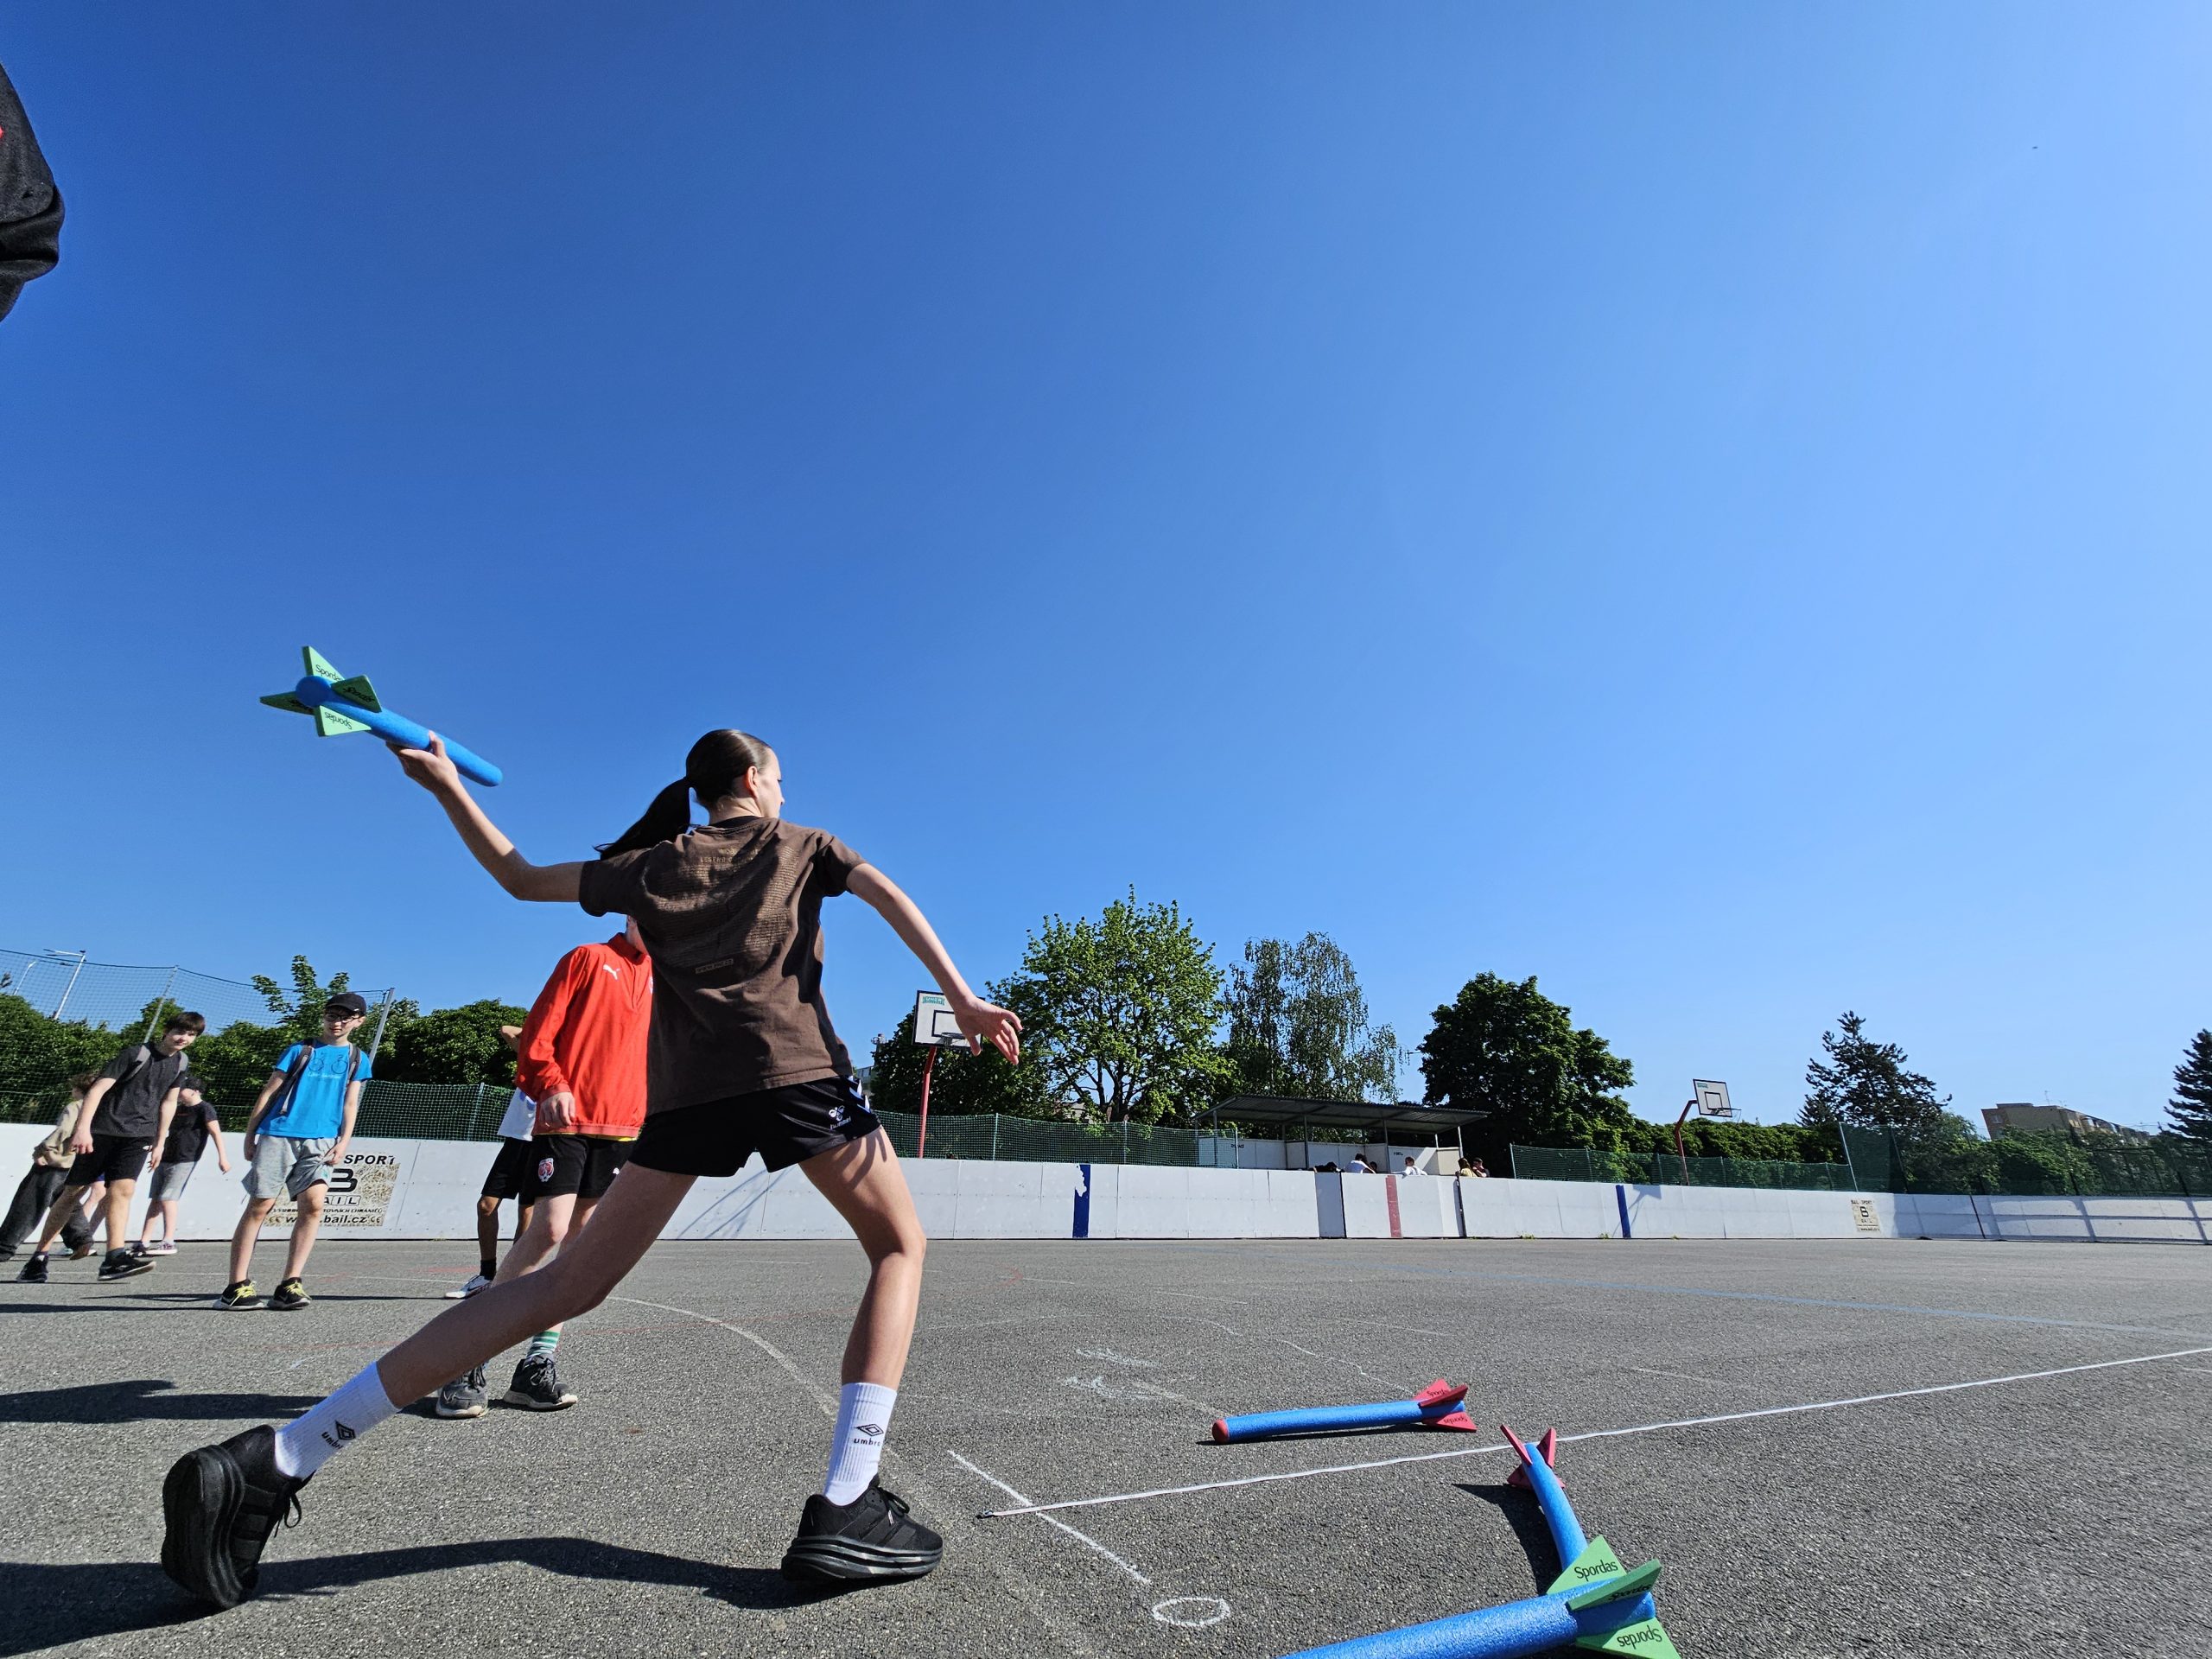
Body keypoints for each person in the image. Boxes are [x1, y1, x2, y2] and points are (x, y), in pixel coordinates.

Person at [160, 728, 1021, 1610]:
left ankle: (282, 1455)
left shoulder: (650, 867)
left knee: (563, 1284)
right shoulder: (799, 843)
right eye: (781, 779)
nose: (784, 793)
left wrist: (447, 786)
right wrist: (961, 996)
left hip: (685, 1097)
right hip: (792, 1070)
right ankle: (847, 1498)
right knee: (898, 1247)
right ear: (755, 779)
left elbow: (518, 876)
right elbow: (889, 895)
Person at [435, 918, 652, 1417]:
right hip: (567, 1119)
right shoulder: (588, 957)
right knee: (548, 1231)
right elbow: (537, 1031)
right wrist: (551, 1083)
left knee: (578, 1247)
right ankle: (467, 1356)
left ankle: (536, 1366)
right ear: (630, 910)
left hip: (623, 1127)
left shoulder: (667, 976)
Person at [16, 1014, 203, 1282]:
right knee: (72, 1193)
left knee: (122, 1190)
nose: (184, 1038)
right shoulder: (136, 1054)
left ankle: (114, 1258)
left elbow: (169, 1102)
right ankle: (38, 1257)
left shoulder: (181, 1062)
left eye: (191, 1035)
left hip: (138, 1136)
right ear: (166, 1030)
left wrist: (160, 1141)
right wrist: (83, 1129)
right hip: (103, 1132)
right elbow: (97, 1090)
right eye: (180, 1032)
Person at [217, 993, 372, 1311]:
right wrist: (251, 1133)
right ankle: (236, 1286)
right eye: (332, 1015)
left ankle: (290, 1283)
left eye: (345, 1017)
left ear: (359, 1021)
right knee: (261, 1205)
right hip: (280, 1133)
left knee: (314, 1205)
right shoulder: (300, 1050)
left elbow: (350, 1103)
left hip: (322, 1140)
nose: (337, 1022)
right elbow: (269, 1091)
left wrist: (344, 1141)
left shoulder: (358, 1058)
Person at [444, 1027, 537, 1300]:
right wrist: (542, 1032)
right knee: (486, 1206)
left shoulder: (571, 1059)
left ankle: (514, 1277)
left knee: (527, 1210)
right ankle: (486, 1275)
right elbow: (506, 1030)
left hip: (542, 1139)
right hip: (516, 1139)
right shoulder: (533, 1053)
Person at [0, 1073, 100, 1260]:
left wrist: (44, 1149)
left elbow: (63, 1130)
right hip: (78, 1163)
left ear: (79, 1090)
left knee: (29, 1201)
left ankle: (4, 1246)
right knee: (65, 1201)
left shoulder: (76, 1107)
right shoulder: (101, 1109)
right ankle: (81, 1239)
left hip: (56, 1161)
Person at [135, 1074, 229, 1256]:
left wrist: (222, 1158)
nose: (178, 1092)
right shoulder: (176, 1109)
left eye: (183, 1088)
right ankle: (143, 1241)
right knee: (156, 1199)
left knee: (168, 1198)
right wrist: (156, 1147)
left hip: (185, 1159)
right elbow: (164, 1132)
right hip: (166, 1158)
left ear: (195, 1091)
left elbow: (215, 1133)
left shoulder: (205, 1109)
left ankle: (168, 1241)